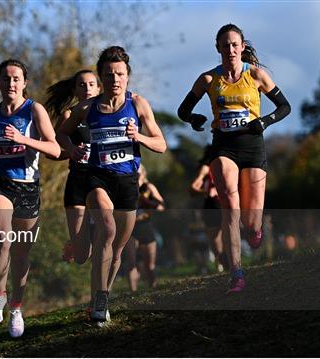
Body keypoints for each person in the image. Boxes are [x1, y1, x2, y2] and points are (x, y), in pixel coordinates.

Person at [177, 24, 291, 294]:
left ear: (242, 47)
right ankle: (236, 273)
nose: (230, 49)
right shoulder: (207, 79)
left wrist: (264, 122)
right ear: (218, 48)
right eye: (225, 45)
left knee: (251, 221)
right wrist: (194, 119)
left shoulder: (256, 75)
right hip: (223, 146)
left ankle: (253, 231)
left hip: (252, 146)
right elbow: (183, 110)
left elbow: (285, 107)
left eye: (234, 44)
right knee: (229, 204)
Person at [58, 46, 166, 325]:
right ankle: (99, 301)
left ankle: (102, 292)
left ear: (127, 77)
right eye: (108, 74)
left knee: (117, 250)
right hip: (97, 178)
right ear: (101, 77)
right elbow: (61, 134)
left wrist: (139, 137)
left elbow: (161, 144)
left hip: (127, 182)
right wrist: (71, 149)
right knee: (107, 229)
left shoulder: (138, 104)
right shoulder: (88, 108)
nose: (114, 79)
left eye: (119, 74)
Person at [0, 59, 60, 337]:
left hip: (28, 187)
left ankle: (16, 308)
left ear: (24, 82)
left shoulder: (34, 110)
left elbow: (54, 149)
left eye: (16, 78)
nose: (11, 83)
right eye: (6, 79)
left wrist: (23, 139)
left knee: (21, 253)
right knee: (3, 238)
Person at [45, 69, 101, 264]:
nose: (87, 89)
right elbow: (50, 151)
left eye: (92, 84)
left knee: (106, 236)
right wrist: (70, 151)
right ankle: (76, 242)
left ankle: (102, 291)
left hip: (104, 182)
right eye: (82, 85)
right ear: (75, 90)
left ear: (99, 88)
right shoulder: (69, 115)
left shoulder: (109, 113)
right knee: (81, 256)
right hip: (78, 181)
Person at [125, 164, 164, 291]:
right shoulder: (125, 186)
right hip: (130, 228)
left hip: (145, 225)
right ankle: (132, 292)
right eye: (133, 171)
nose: (136, 174)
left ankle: (153, 289)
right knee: (132, 263)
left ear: (143, 173)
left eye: (138, 172)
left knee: (150, 265)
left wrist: (149, 203)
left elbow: (161, 206)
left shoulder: (148, 187)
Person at [190, 144, 228, 273]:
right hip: (212, 205)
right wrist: (207, 191)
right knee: (215, 238)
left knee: (228, 233)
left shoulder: (229, 164)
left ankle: (230, 261)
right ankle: (220, 262)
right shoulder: (206, 168)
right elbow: (193, 187)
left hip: (227, 203)